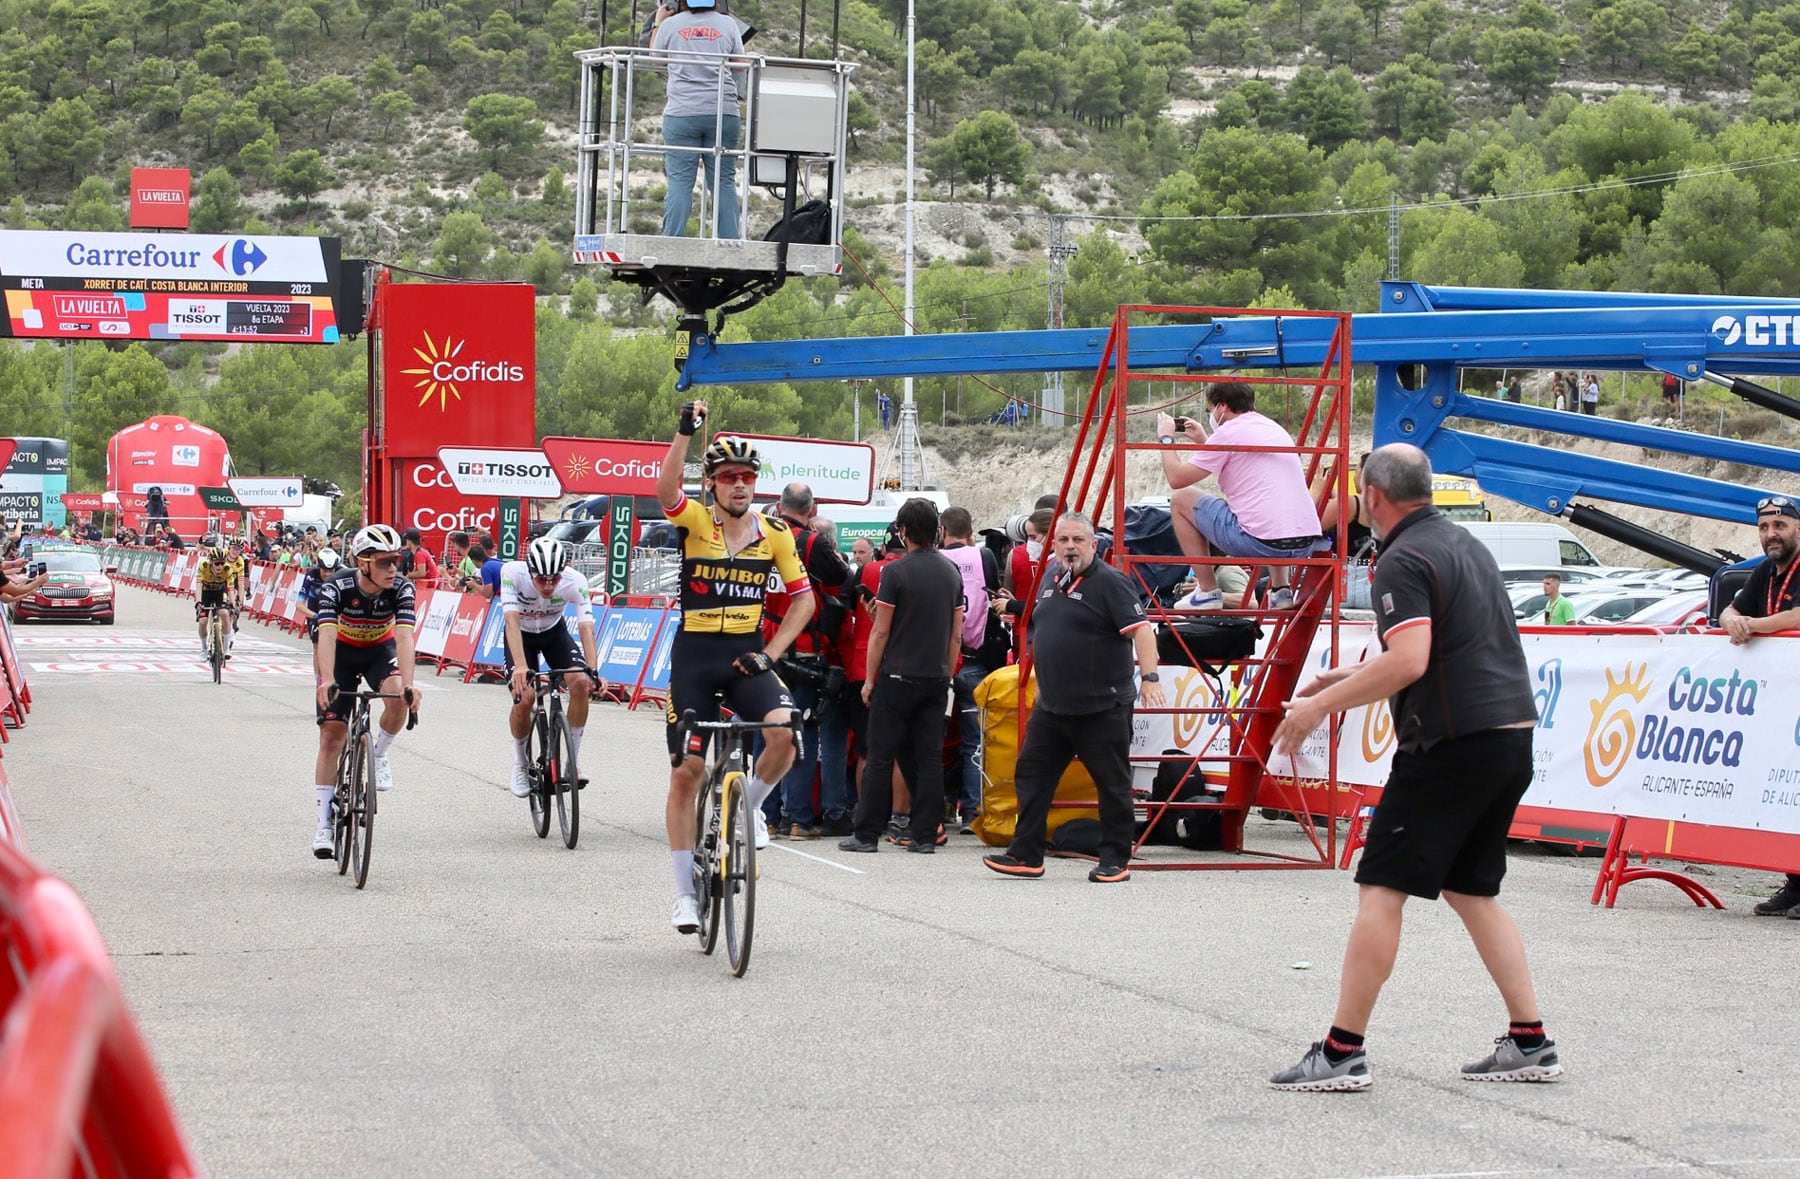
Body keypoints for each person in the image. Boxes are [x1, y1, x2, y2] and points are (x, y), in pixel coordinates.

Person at [1267, 443, 1555, 1091]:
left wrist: (1318, 710)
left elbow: (1410, 661)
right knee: (1471, 889)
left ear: (1371, 495)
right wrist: (1340, 678)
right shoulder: (1464, 544)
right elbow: (1433, 647)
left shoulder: (1400, 557)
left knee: (1381, 886)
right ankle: (1530, 1038)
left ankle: (1342, 1051)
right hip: (1508, 737)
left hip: (1451, 742)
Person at [657, 403, 812, 934]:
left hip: (747, 652)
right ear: (713, 485)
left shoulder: (776, 533)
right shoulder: (696, 520)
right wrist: (684, 431)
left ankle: (750, 805)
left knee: (785, 734)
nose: (740, 485)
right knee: (687, 772)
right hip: (696, 655)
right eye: (729, 477)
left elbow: (804, 602)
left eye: (747, 477)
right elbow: (665, 488)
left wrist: (771, 653)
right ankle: (682, 894)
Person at [982, 511, 1163, 883]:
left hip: (1101, 706)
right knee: (1031, 775)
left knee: (1111, 784)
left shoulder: (1109, 582)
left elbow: (1142, 631)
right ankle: (1026, 854)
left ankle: (1115, 860)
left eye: (1078, 540)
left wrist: (1150, 677)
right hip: (1053, 707)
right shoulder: (1051, 577)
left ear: (1094, 545)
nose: (1069, 547)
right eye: (1063, 540)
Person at [837, 498, 965, 855]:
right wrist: (947, 672)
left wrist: (869, 679)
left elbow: (880, 631)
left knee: (880, 755)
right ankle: (925, 834)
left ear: (903, 531)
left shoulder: (894, 572)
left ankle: (866, 834)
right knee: (928, 757)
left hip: (897, 675)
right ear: (938, 531)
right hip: (935, 677)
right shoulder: (950, 573)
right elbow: (956, 633)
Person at [1157, 382, 1323, 611]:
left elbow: (1176, 478)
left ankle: (1206, 590)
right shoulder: (1272, 428)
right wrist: (1204, 440)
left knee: (1181, 499)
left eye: (1210, 409)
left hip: (1260, 543)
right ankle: (1280, 590)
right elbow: (1240, 470)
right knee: (1270, 506)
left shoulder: (1227, 433)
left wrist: (1166, 439)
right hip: (1304, 542)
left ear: (1221, 407)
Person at [310, 525, 421, 859]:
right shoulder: (337, 588)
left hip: (378, 650)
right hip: (340, 653)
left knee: (398, 695)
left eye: (397, 560)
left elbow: (404, 638)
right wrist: (326, 679)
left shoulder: (402, 588)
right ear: (363, 562)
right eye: (385, 562)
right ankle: (323, 825)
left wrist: (411, 685)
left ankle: (380, 752)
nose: (393, 568)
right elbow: (325, 637)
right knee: (332, 735)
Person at [1718, 494, 1800, 918]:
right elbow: (1731, 607)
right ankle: (1794, 883)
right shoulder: (1766, 570)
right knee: (1785, 795)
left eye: (1781, 526)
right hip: (1779, 703)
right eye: (1765, 528)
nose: (1772, 535)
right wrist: (1731, 618)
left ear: (1797, 528)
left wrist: (1750, 626)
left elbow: (1796, 617)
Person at [760, 482, 853, 839]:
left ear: (779, 505)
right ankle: (798, 817)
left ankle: (765, 814)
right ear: (811, 511)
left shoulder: (759, 536)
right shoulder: (810, 543)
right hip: (802, 647)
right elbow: (840, 577)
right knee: (801, 732)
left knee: (763, 731)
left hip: (765, 646)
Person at [500, 538, 603, 797]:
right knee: (524, 699)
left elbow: (586, 627)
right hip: (521, 635)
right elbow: (511, 621)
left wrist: (594, 670)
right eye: (541, 579)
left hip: (553, 632)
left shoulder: (575, 580)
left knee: (580, 683)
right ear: (530, 571)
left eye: (554, 579)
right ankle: (520, 763)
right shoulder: (512, 573)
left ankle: (572, 763)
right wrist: (521, 667)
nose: (548, 585)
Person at [651, 0, 746, 239]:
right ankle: (729, 240)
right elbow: (739, 66)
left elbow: (656, 60)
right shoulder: (728, 24)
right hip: (723, 112)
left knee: (680, 182)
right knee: (723, 180)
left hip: (682, 113)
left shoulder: (671, 25)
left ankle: (672, 239)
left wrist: (657, 22)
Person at [941, 506, 1007, 832]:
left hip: (940, 660)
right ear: (970, 531)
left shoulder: (935, 560)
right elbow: (993, 595)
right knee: (973, 741)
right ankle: (972, 812)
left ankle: (925, 811)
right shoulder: (985, 557)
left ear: (942, 531)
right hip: (976, 658)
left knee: (929, 740)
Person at [194, 538, 247, 657]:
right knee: (203, 621)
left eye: (222, 563)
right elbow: (198, 586)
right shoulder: (203, 566)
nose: (220, 566)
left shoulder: (228, 569)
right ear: (211, 562)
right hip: (205, 593)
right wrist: (198, 602)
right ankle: (203, 648)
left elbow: (231, 589)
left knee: (225, 614)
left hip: (219, 592)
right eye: (217, 563)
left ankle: (227, 648)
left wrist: (234, 604)